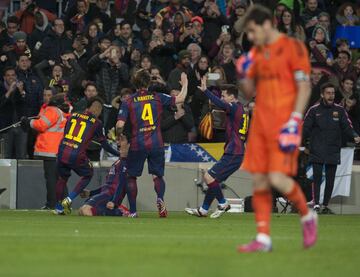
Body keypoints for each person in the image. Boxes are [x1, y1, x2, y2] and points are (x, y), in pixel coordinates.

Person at [235, 5, 317, 252]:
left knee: (277, 178)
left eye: (251, 31)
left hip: (285, 124)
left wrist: (294, 120)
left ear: (267, 24)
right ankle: (263, 238)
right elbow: (250, 93)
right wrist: (243, 73)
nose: (250, 37)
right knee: (259, 179)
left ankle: (307, 214)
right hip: (260, 124)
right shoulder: (258, 54)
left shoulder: (294, 48)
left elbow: (304, 87)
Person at [116, 70, 188, 217]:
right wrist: (185, 83)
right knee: (157, 175)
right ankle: (160, 199)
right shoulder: (158, 97)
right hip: (156, 142)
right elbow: (180, 99)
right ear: (148, 83)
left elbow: (119, 124)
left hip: (138, 143)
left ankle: (134, 211)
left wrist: (119, 135)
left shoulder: (127, 101)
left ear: (134, 83)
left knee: (131, 176)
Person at [185, 81, 248, 218]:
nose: (222, 98)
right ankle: (204, 209)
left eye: (224, 95)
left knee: (208, 176)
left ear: (232, 97)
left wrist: (206, 91)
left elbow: (221, 104)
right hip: (236, 151)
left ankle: (223, 203)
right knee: (214, 181)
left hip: (234, 152)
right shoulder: (241, 109)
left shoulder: (234, 107)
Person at [54, 96, 120, 215]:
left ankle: (59, 207)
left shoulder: (73, 115)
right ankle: (68, 200)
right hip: (76, 154)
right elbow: (104, 144)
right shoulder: (96, 122)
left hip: (62, 151)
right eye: (100, 110)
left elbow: (66, 133)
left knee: (62, 179)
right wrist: (118, 154)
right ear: (96, 108)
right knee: (88, 174)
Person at [303, 83, 360, 214]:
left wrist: (355, 136)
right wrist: (297, 140)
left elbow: (347, 127)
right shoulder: (314, 110)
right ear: (322, 94)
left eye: (333, 93)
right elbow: (305, 128)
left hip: (333, 149)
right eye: (328, 93)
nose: (331, 96)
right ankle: (316, 204)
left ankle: (325, 205)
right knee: (316, 178)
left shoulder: (340, 110)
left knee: (330, 179)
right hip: (317, 149)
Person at [21, 92, 68, 209]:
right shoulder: (61, 113)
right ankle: (65, 203)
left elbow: (41, 125)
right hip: (57, 150)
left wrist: (28, 122)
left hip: (49, 150)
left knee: (51, 179)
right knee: (59, 179)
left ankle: (51, 204)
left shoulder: (52, 110)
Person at [79, 135, 130, 217]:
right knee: (81, 210)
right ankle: (117, 211)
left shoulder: (126, 163)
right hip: (106, 193)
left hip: (111, 195)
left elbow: (122, 185)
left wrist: (114, 201)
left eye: (121, 140)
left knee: (86, 210)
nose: (118, 143)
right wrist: (91, 193)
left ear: (129, 145)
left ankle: (120, 211)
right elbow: (108, 185)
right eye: (118, 140)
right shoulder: (118, 162)